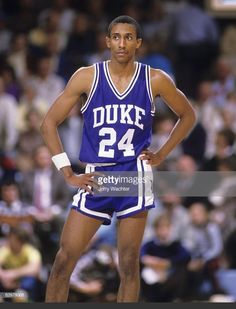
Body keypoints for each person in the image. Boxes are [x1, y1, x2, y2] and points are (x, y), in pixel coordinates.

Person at [40, 15, 196, 302]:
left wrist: (162, 154)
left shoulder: (155, 79)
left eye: (128, 37)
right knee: (63, 261)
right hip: (97, 176)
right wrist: (67, 173)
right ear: (107, 41)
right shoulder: (87, 76)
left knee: (128, 264)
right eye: (116, 37)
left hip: (132, 178)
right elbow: (48, 123)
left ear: (138, 43)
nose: (121, 43)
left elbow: (188, 115)